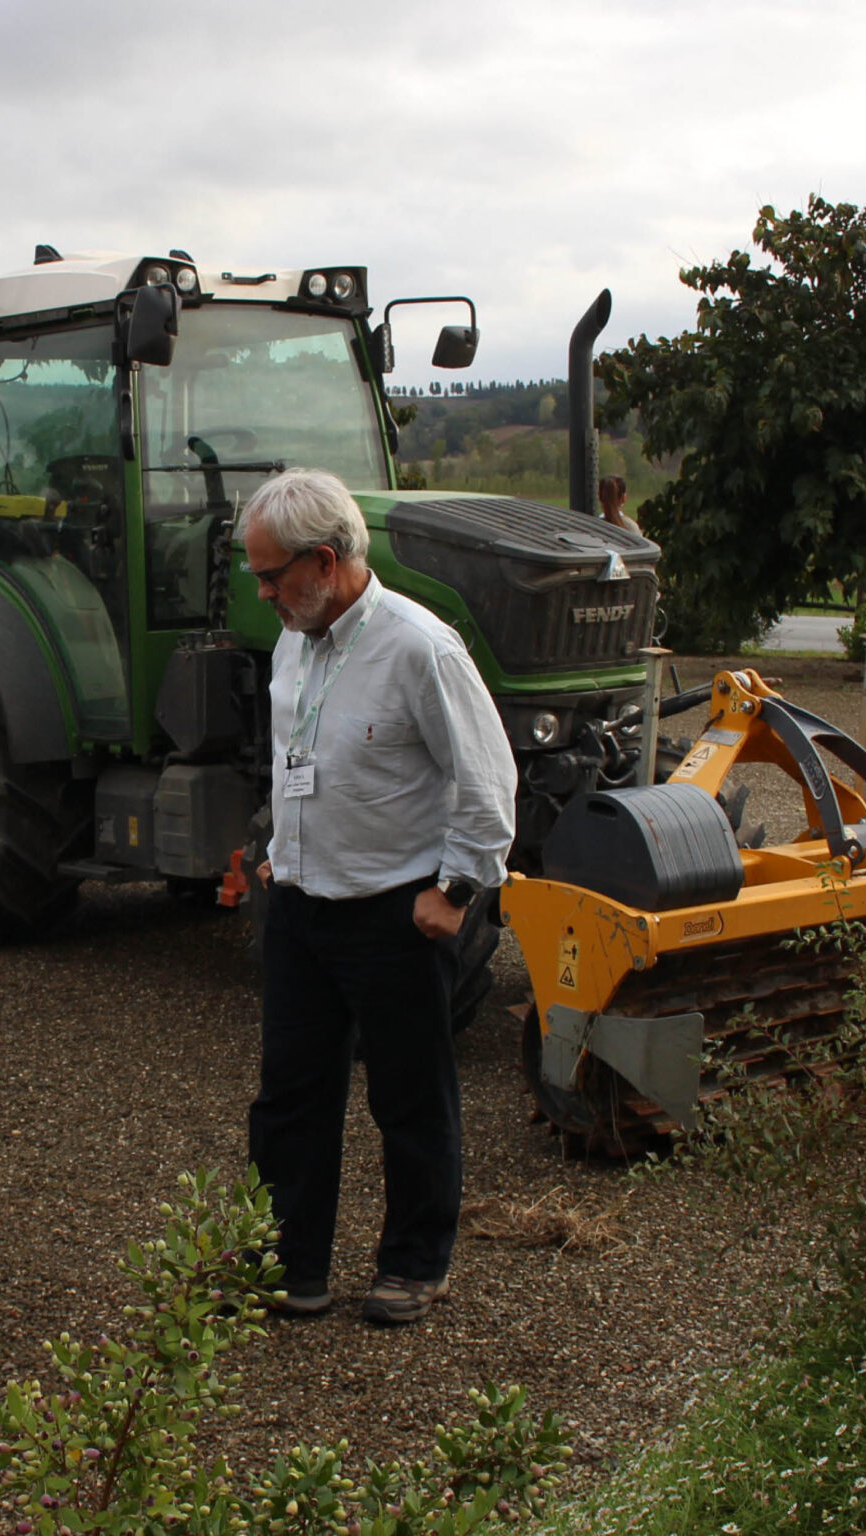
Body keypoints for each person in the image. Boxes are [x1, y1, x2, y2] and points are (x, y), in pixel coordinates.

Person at [238, 469, 518, 1328]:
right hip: (302, 906)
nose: (263, 593)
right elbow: (300, 756)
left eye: (271, 575)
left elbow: (488, 779)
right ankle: (293, 1266)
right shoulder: (296, 638)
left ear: (324, 561)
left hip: (394, 913)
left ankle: (413, 1264)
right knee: (290, 1094)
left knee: (408, 1096)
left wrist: (458, 891)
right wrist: (281, 852)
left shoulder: (419, 648)